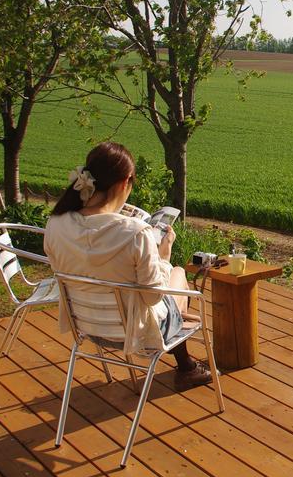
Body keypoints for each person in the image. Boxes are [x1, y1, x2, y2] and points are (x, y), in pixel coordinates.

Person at [44, 141, 212, 390]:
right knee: (177, 274)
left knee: (168, 288)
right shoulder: (135, 233)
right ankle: (186, 366)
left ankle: (186, 362)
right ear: (125, 182)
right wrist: (163, 255)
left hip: (87, 325)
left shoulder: (57, 223)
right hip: (134, 333)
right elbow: (153, 297)